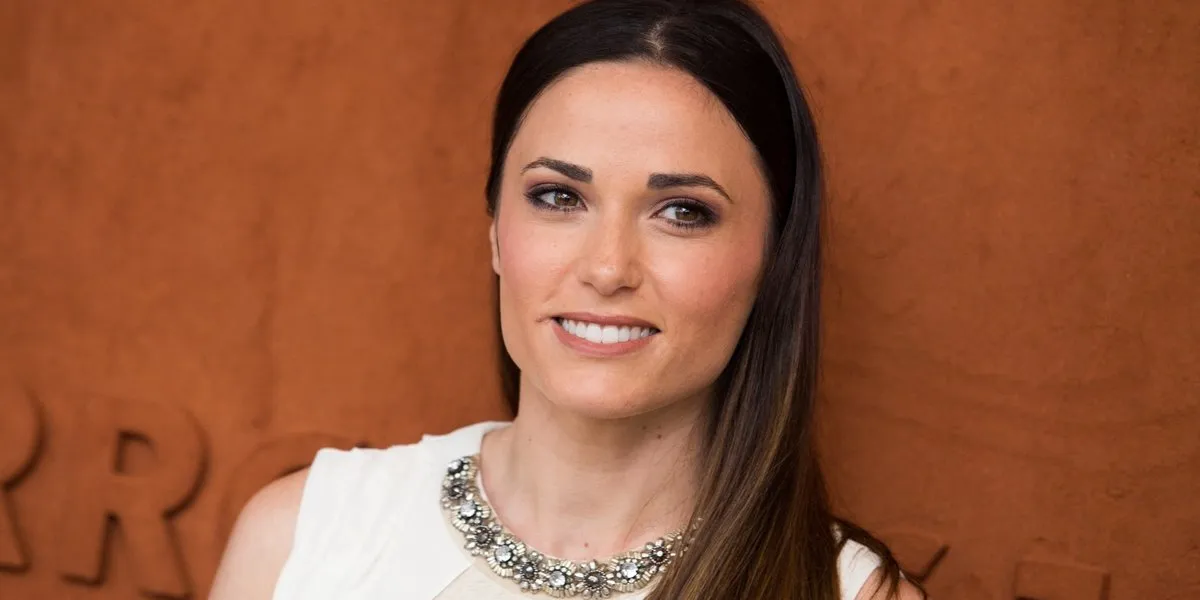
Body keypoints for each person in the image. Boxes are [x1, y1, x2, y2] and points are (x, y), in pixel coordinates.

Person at [210, 1, 926, 598]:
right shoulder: (300, 537)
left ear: (774, 257)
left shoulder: (851, 593)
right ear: (496, 232)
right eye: (558, 198)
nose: (608, 268)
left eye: (682, 212)